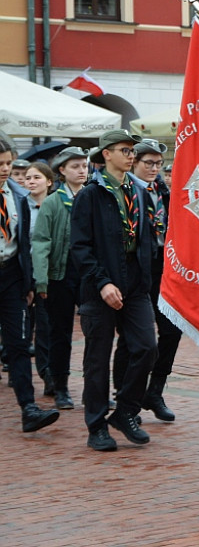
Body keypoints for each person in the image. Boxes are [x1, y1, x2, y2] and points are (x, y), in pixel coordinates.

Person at [71, 130, 158, 451]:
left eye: (132, 150)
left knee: (146, 347)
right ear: (106, 154)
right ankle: (96, 426)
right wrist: (102, 281)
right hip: (100, 287)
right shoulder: (91, 194)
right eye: (125, 149)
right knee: (97, 358)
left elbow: (147, 237)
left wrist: (148, 277)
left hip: (135, 284)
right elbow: (80, 247)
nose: (131, 155)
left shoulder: (137, 191)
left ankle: (125, 411)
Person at [111, 139, 179, 422]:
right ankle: (125, 395)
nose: (154, 169)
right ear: (134, 163)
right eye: (148, 163)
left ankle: (155, 390)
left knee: (172, 331)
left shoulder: (163, 191)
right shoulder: (124, 191)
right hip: (135, 270)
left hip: (164, 268)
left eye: (158, 164)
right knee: (132, 337)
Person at [0, 141, 61, 432]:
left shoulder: (18, 195)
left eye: (8, 164)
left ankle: (29, 408)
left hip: (11, 276)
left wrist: (28, 282)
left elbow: (24, 242)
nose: (4, 170)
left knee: (19, 344)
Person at [32, 146, 90, 410]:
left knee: (96, 334)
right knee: (60, 333)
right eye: (75, 166)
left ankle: (94, 387)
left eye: (84, 166)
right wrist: (41, 280)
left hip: (89, 273)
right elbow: (42, 241)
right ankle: (60, 386)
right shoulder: (53, 203)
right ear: (62, 171)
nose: (81, 171)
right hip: (60, 274)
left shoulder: (93, 197)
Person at [24, 162, 56, 395]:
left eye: (37, 177)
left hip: (47, 274)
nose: (31, 181)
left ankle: (47, 374)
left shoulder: (56, 205)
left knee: (45, 327)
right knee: (24, 326)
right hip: (23, 275)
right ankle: (19, 370)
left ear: (49, 181)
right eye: (28, 178)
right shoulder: (20, 205)